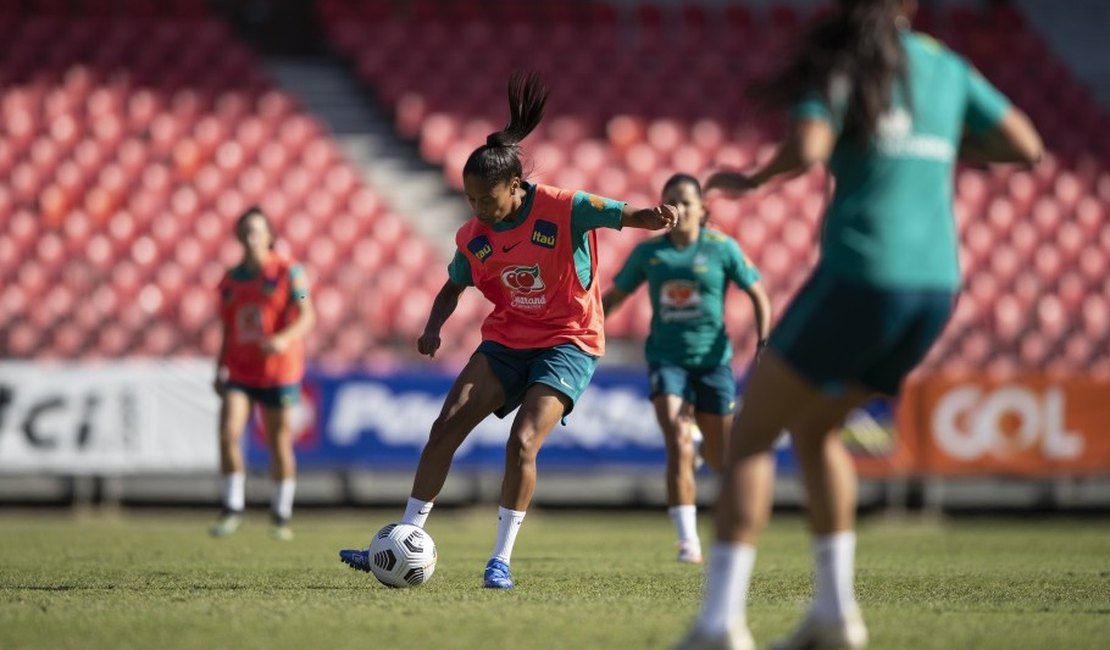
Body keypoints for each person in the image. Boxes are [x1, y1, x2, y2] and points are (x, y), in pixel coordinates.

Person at [676, 1, 1042, 648]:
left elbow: (810, 146)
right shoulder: (945, 66)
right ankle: (836, 616)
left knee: (751, 437)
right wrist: (939, 142)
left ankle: (719, 625)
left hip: (861, 275)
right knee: (817, 430)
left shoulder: (845, 63)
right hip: (935, 288)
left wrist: (755, 177)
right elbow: (1025, 145)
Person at [338, 72, 679, 588]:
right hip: (507, 338)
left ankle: (499, 560)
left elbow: (621, 212)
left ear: (515, 186)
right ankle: (399, 541)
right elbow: (452, 288)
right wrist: (433, 329)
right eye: (471, 200)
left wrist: (652, 218)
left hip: (569, 340)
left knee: (522, 442)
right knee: (446, 425)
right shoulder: (474, 238)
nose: (478, 210)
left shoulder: (563, 208)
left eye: (486, 200)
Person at [602, 173, 771, 565]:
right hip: (666, 359)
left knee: (719, 457)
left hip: (713, 363)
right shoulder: (650, 254)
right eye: (671, 201)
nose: (679, 208)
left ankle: (705, 458)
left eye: (686, 201)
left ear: (702, 209)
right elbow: (617, 295)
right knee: (677, 442)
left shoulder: (722, 249)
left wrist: (763, 342)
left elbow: (759, 294)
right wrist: (587, 328)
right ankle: (688, 543)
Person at [210, 206, 316, 541]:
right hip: (241, 369)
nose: (251, 237)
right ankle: (233, 508)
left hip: (279, 371)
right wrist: (220, 366)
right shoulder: (230, 280)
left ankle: (281, 514)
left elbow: (306, 313)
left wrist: (284, 339)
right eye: (245, 231)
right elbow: (227, 328)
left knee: (278, 440)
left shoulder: (290, 273)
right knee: (228, 432)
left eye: (257, 230)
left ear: (270, 235)